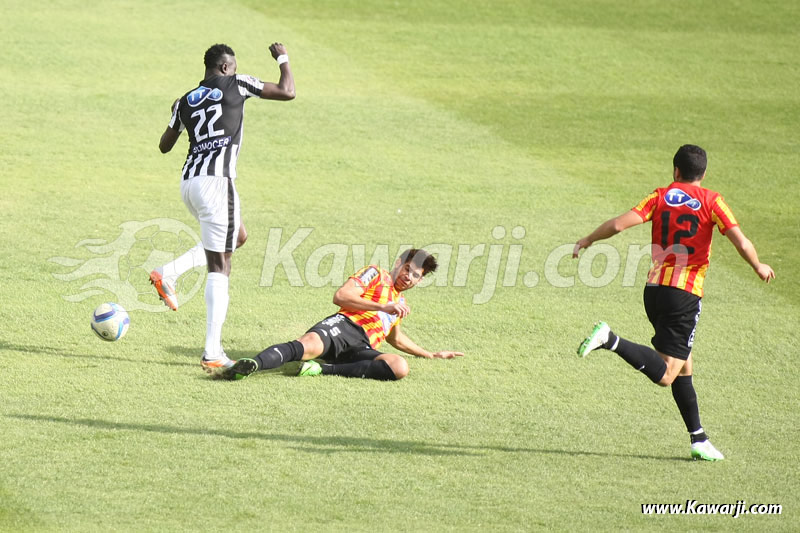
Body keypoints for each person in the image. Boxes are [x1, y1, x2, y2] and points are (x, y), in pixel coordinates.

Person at [573, 144, 775, 461]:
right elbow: (740, 239)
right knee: (667, 373)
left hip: (654, 290)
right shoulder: (713, 201)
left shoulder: (659, 196)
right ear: (703, 173)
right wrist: (758, 265)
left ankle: (698, 439)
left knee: (684, 366)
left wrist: (587, 240)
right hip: (684, 295)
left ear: (675, 171)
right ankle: (609, 339)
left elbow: (617, 225)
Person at [150, 43, 295, 373]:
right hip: (217, 183)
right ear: (228, 67)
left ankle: (168, 273)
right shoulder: (238, 83)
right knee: (221, 264)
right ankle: (212, 351)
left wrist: (179, 115)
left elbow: (164, 146)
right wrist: (282, 59)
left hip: (189, 184)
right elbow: (288, 91)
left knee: (237, 237)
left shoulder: (185, 100)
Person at [221, 248, 464, 381]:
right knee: (306, 346)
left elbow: (396, 339)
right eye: (407, 269)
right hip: (343, 326)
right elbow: (341, 296)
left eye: (415, 276)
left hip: (362, 348)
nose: (408, 277)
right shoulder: (376, 274)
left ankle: (321, 370)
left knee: (399, 367)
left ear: (419, 281)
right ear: (399, 262)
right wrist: (383, 307)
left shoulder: (400, 302)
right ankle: (251, 365)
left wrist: (430, 354)